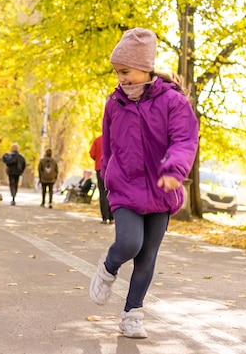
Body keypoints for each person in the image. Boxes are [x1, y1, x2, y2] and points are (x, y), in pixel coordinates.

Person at [89, 28, 199, 339]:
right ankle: (109, 267)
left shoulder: (173, 101)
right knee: (128, 244)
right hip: (125, 186)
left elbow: (185, 139)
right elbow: (108, 147)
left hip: (162, 189)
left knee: (147, 255)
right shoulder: (114, 103)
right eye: (117, 72)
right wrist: (109, 174)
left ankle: (132, 314)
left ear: (145, 66)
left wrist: (174, 170)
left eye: (125, 71)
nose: (121, 78)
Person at [90, 135, 113, 224]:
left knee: (102, 192)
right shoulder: (114, 138)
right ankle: (111, 216)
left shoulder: (97, 140)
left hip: (100, 168)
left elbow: (92, 154)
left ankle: (104, 217)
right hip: (111, 168)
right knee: (111, 191)